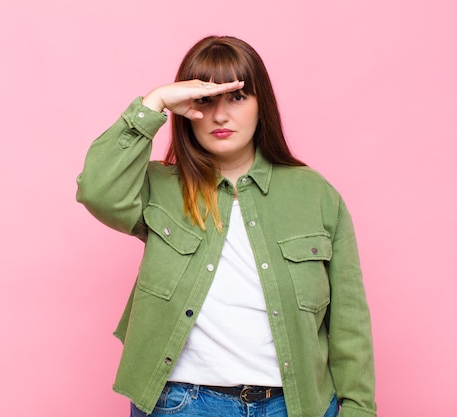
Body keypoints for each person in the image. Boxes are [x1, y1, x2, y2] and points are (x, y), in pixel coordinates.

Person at [76, 35, 376, 417]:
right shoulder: (159, 187)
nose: (220, 116)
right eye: (205, 100)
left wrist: (358, 410)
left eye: (236, 97)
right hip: (181, 404)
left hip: (296, 405)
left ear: (260, 104)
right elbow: (97, 191)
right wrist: (155, 102)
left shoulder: (317, 195)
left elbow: (350, 326)